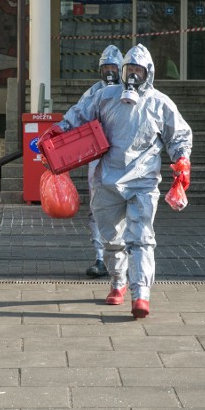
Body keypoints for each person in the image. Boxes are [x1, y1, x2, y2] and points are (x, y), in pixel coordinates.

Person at [41, 43, 192, 319]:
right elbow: (79, 114)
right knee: (111, 238)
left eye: (138, 71)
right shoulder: (105, 97)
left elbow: (180, 135)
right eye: (129, 70)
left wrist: (182, 162)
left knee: (142, 238)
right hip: (107, 180)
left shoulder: (160, 103)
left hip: (143, 183)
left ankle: (141, 294)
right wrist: (59, 130)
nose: (133, 76)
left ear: (149, 73)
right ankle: (118, 281)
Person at [82, 44, 124, 278]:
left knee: (127, 210)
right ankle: (100, 257)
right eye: (105, 67)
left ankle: (125, 258)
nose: (109, 72)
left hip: (124, 160)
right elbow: (78, 116)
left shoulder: (130, 92)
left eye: (113, 67)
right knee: (97, 208)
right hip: (97, 158)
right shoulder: (93, 93)